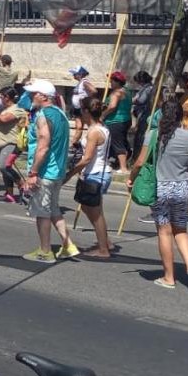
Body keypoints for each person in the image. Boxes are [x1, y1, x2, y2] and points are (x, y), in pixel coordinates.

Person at [141, 92, 188, 290]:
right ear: (180, 116)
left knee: (164, 232)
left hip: (161, 187)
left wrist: (132, 178)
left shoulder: (153, 136)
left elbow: (140, 162)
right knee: (181, 230)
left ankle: (169, 277)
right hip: (182, 187)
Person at [21, 80, 79, 263]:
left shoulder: (43, 115)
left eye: (33, 93)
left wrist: (33, 173)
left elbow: (43, 146)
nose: (31, 96)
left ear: (43, 96)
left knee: (42, 212)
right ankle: (68, 244)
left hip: (45, 171)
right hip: (58, 171)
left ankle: (45, 251)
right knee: (53, 209)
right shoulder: (61, 113)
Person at [66, 96, 115, 258]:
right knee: (92, 209)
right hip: (98, 172)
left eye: (81, 110)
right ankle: (106, 242)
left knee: (95, 213)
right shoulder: (101, 127)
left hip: (96, 174)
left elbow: (87, 158)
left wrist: (70, 174)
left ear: (87, 111)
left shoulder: (94, 132)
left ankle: (103, 249)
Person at [0, 86, 28, 204]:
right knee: (5, 170)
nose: (0, 99)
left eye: (1, 96)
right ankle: (9, 193)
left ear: (7, 97)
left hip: (11, 142)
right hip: (2, 143)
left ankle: (23, 185)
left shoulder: (17, 109)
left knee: (4, 166)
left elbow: (4, 119)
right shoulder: (5, 108)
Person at [99, 71, 132, 173]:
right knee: (122, 143)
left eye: (112, 81)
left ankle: (123, 168)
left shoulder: (116, 92)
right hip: (126, 120)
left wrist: (103, 115)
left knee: (118, 144)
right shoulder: (127, 91)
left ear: (118, 82)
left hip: (115, 121)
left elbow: (112, 106)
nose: (110, 83)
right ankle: (123, 165)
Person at [130, 70, 155, 155]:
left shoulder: (148, 88)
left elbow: (141, 100)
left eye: (138, 81)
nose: (137, 83)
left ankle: (138, 155)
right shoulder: (145, 88)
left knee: (140, 135)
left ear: (142, 80)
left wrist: (134, 100)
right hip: (141, 114)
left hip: (144, 115)